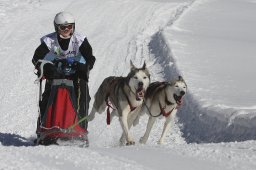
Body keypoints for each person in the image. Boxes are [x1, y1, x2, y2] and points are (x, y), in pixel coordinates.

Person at [32, 12, 95, 134]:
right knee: (47, 96)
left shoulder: (80, 40)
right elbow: (36, 58)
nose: (66, 30)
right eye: (63, 27)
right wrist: (44, 68)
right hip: (56, 72)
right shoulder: (50, 40)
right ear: (56, 27)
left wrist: (85, 67)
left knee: (83, 95)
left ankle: (81, 127)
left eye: (69, 27)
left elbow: (90, 57)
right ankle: (44, 126)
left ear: (73, 27)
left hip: (76, 72)